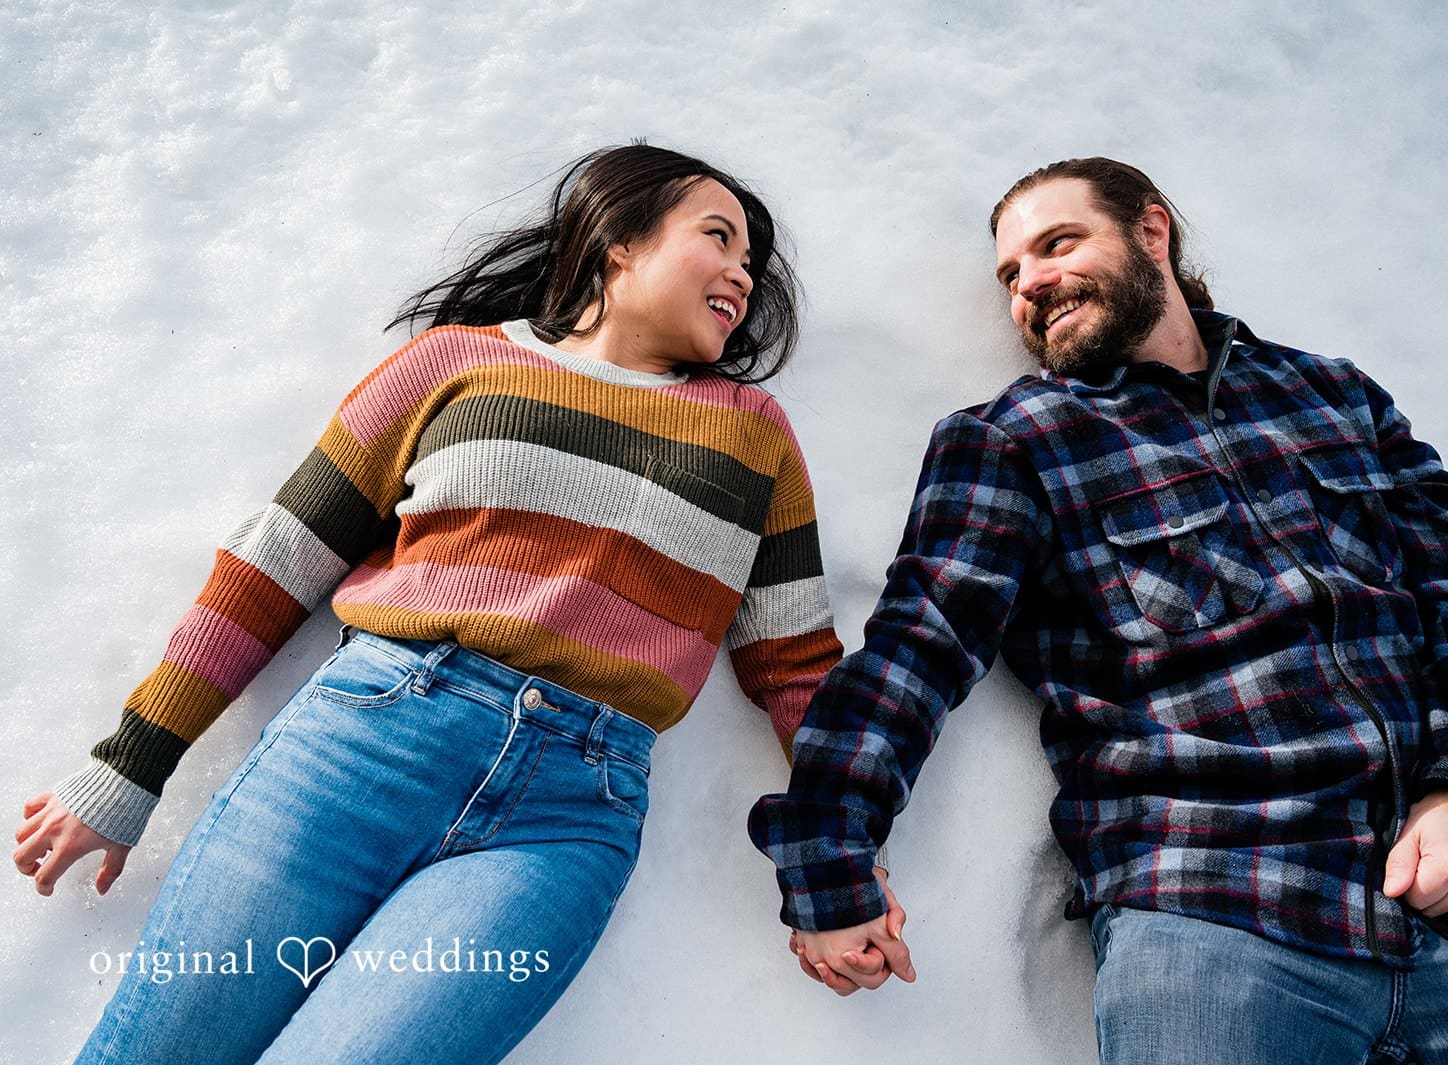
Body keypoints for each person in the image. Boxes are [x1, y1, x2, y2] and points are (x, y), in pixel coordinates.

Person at [749, 157, 1448, 1061]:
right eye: (1011, 275)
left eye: (1057, 243)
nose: (1030, 282)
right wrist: (829, 858)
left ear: (1151, 232)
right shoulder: (1014, 439)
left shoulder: (1336, 396)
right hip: (1211, 914)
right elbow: (917, 647)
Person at [14, 143, 848, 1064]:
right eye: (718, 237)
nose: (741, 272)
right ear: (619, 240)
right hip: (363, 745)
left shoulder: (755, 438)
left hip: (566, 819)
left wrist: (838, 871)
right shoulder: (453, 365)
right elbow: (280, 557)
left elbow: (797, 663)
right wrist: (133, 763)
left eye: (750, 262)